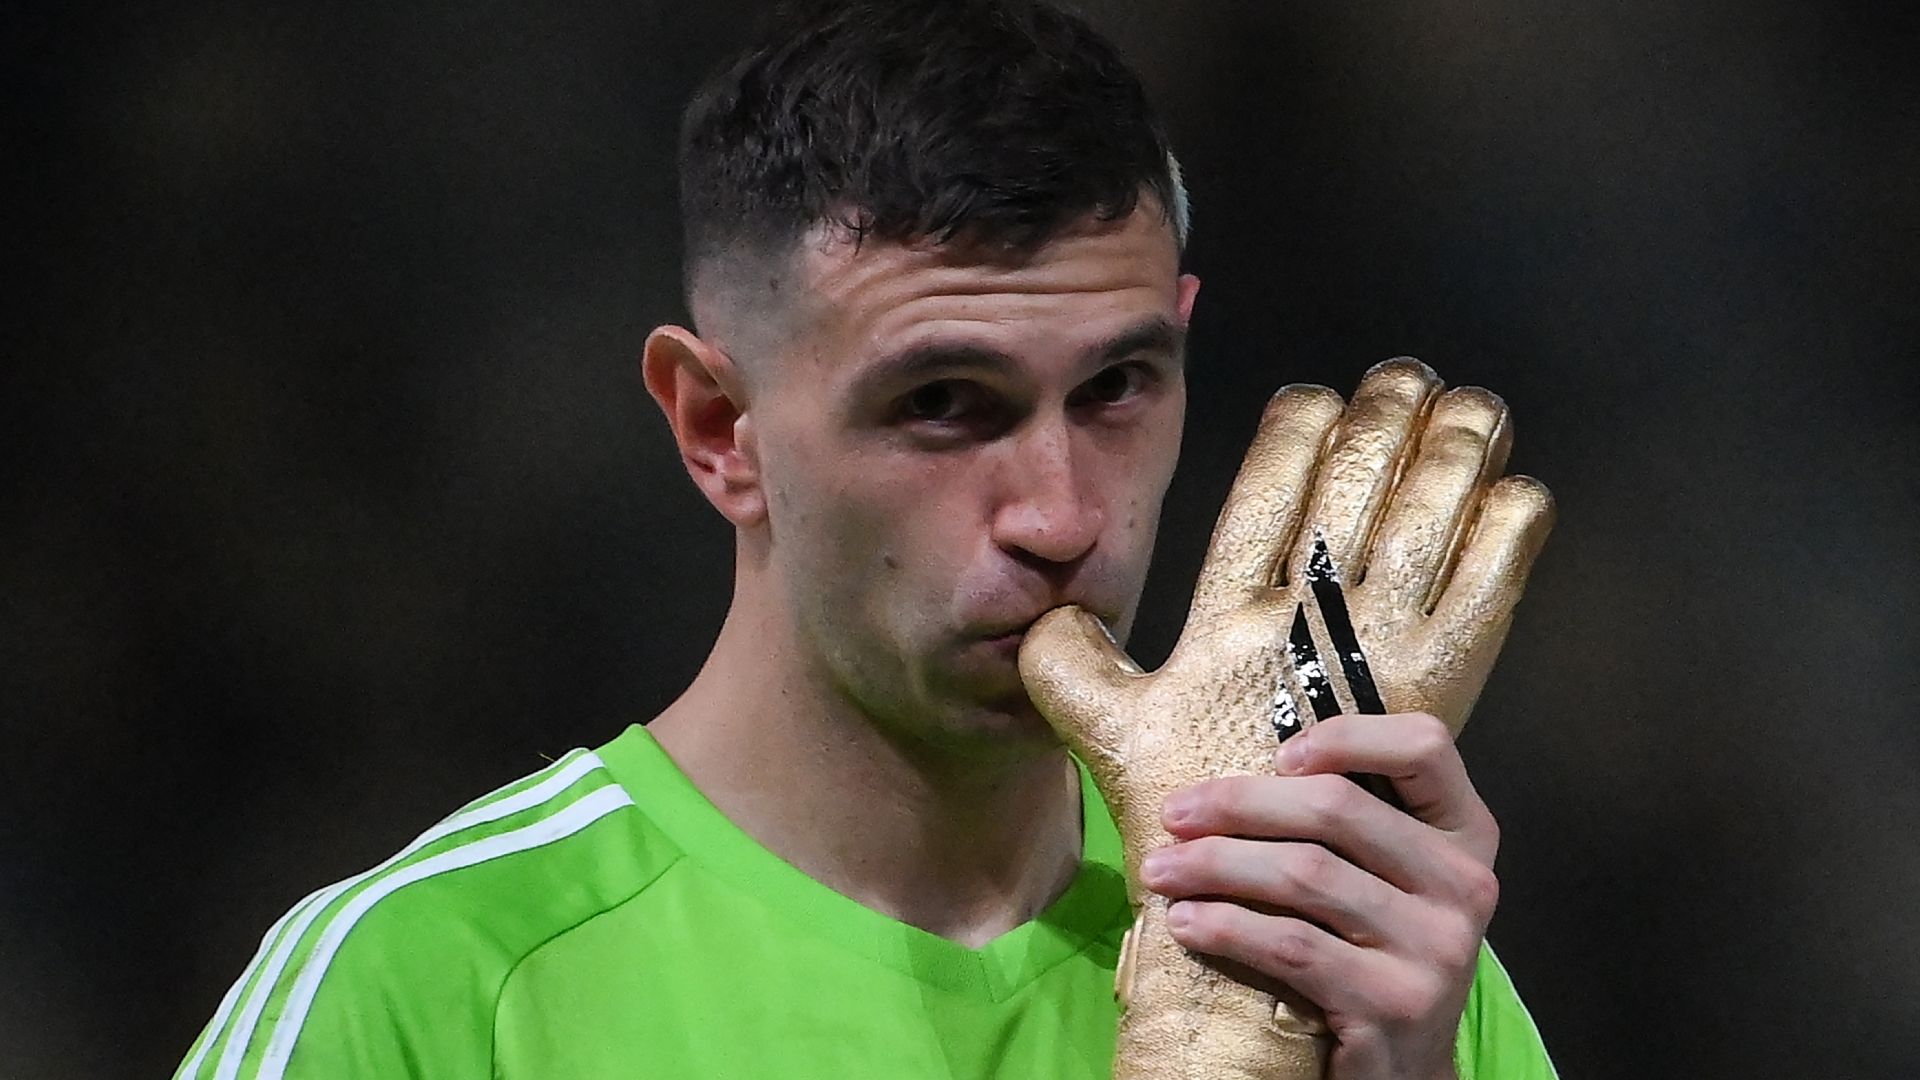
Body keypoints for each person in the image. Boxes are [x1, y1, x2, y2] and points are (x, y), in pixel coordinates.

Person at [175, 2, 1557, 1077]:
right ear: (719, 427)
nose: (1062, 516)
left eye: (1118, 389)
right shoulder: (426, 989)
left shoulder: (1348, 959)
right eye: (944, 405)